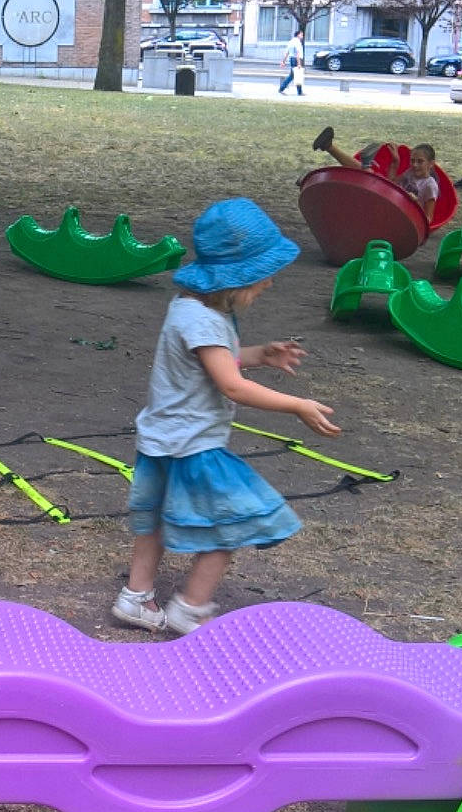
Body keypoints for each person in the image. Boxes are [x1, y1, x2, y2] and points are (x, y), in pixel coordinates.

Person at [109, 198, 340, 636]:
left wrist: (259, 354)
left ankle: (135, 598)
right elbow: (231, 385)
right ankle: (190, 608)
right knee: (229, 527)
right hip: (195, 447)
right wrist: (297, 405)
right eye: (263, 274)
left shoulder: (189, 308)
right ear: (236, 277)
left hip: (161, 440)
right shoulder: (206, 322)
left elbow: (214, 361)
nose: (269, 282)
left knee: (153, 523)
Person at [313, 126, 441, 223]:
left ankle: (365, 165)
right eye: (412, 160)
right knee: (367, 175)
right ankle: (328, 146)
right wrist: (395, 161)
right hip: (390, 202)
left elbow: (428, 220)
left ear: (431, 164)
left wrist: (415, 202)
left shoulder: (430, 185)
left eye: (420, 161)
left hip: (401, 215)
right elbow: (392, 183)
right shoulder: (410, 172)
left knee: (368, 175)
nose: (415, 165)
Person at [279, 30, 306, 96]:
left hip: (291, 59)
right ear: (298, 35)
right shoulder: (297, 42)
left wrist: (283, 61)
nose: (302, 36)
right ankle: (282, 89)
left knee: (293, 75)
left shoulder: (290, 42)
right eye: (301, 35)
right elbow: (297, 53)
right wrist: (299, 63)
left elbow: (287, 53)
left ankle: (298, 91)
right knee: (297, 75)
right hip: (296, 59)